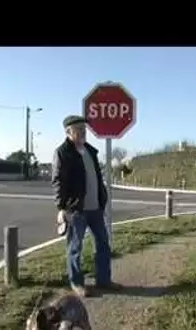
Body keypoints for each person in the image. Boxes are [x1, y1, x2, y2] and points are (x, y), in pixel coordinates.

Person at [51, 115, 120, 297]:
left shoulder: (90, 151)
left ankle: (104, 280)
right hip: (76, 210)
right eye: (78, 129)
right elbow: (58, 182)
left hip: (96, 208)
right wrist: (62, 208)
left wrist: (102, 198)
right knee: (75, 248)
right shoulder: (62, 152)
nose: (83, 132)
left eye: (84, 129)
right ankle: (77, 283)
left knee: (103, 244)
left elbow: (96, 178)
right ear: (68, 132)